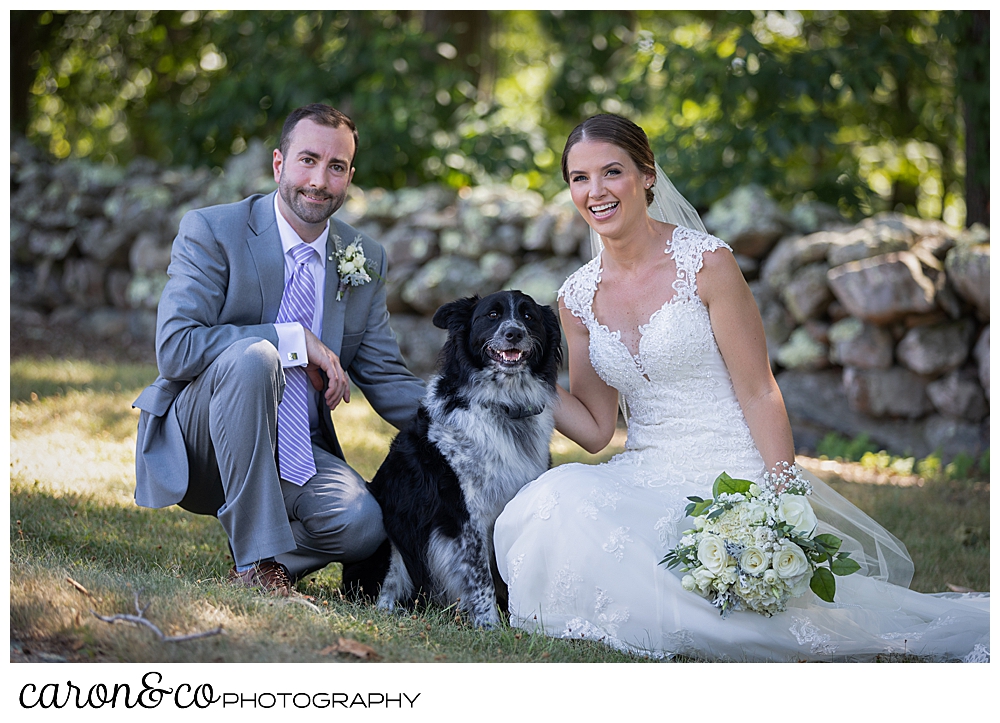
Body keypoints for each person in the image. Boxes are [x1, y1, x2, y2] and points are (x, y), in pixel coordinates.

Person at [493, 114, 990, 661]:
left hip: (730, 472)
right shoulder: (577, 297)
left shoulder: (707, 263)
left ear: (647, 175)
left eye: (612, 172)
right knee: (555, 498)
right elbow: (593, 429)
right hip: (644, 469)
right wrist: (519, 374)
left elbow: (759, 390)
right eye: (579, 179)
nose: (596, 191)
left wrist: (783, 494)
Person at [133, 103, 424, 596]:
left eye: (336, 167)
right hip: (203, 439)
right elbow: (176, 348)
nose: (319, 180)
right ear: (278, 164)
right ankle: (255, 561)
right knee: (257, 357)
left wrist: (476, 420)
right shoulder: (214, 231)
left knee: (362, 523)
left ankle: (268, 562)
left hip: (295, 450)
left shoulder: (362, 257)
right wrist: (290, 339)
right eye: (307, 160)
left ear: (350, 176)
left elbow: (389, 379)